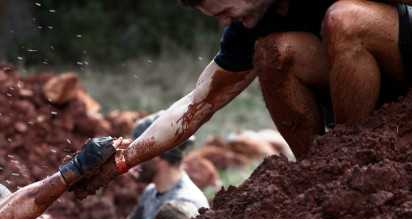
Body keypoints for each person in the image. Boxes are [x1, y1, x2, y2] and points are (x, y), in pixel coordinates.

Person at [109, 0, 412, 174]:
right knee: (272, 53)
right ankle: (322, 176)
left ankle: (354, 164)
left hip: (400, 61)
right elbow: (198, 102)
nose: (227, 22)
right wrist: (124, 160)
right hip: (358, 97)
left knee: (344, 19)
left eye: (226, 11)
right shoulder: (248, 25)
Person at [26, 112, 209, 219]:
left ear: (158, 153)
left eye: (139, 151)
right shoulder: (152, 192)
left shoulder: (184, 203)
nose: (132, 160)